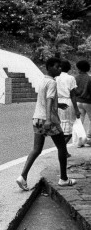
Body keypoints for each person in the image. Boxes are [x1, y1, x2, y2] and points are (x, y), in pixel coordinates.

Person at [16, 57, 76, 191]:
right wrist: (49, 119)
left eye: (60, 67)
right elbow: (48, 100)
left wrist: (58, 104)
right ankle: (64, 179)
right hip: (49, 120)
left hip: (37, 119)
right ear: (49, 67)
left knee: (36, 149)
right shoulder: (52, 83)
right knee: (62, 148)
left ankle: (23, 176)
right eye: (57, 67)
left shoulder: (43, 81)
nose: (59, 69)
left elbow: (45, 100)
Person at [56, 60, 81, 155]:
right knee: (71, 128)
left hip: (57, 102)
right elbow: (73, 95)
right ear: (69, 68)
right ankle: (61, 148)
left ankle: (64, 151)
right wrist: (76, 109)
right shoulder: (70, 78)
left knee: (61, 126)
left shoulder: (55, 77)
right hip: (67, 102)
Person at [75, 59, 91, 145]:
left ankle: (79, 141)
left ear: (79, 68)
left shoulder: (75, 78)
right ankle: (89, 138)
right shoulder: (89, 78)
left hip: (78, 101)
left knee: (80, 120)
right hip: (88, 101)